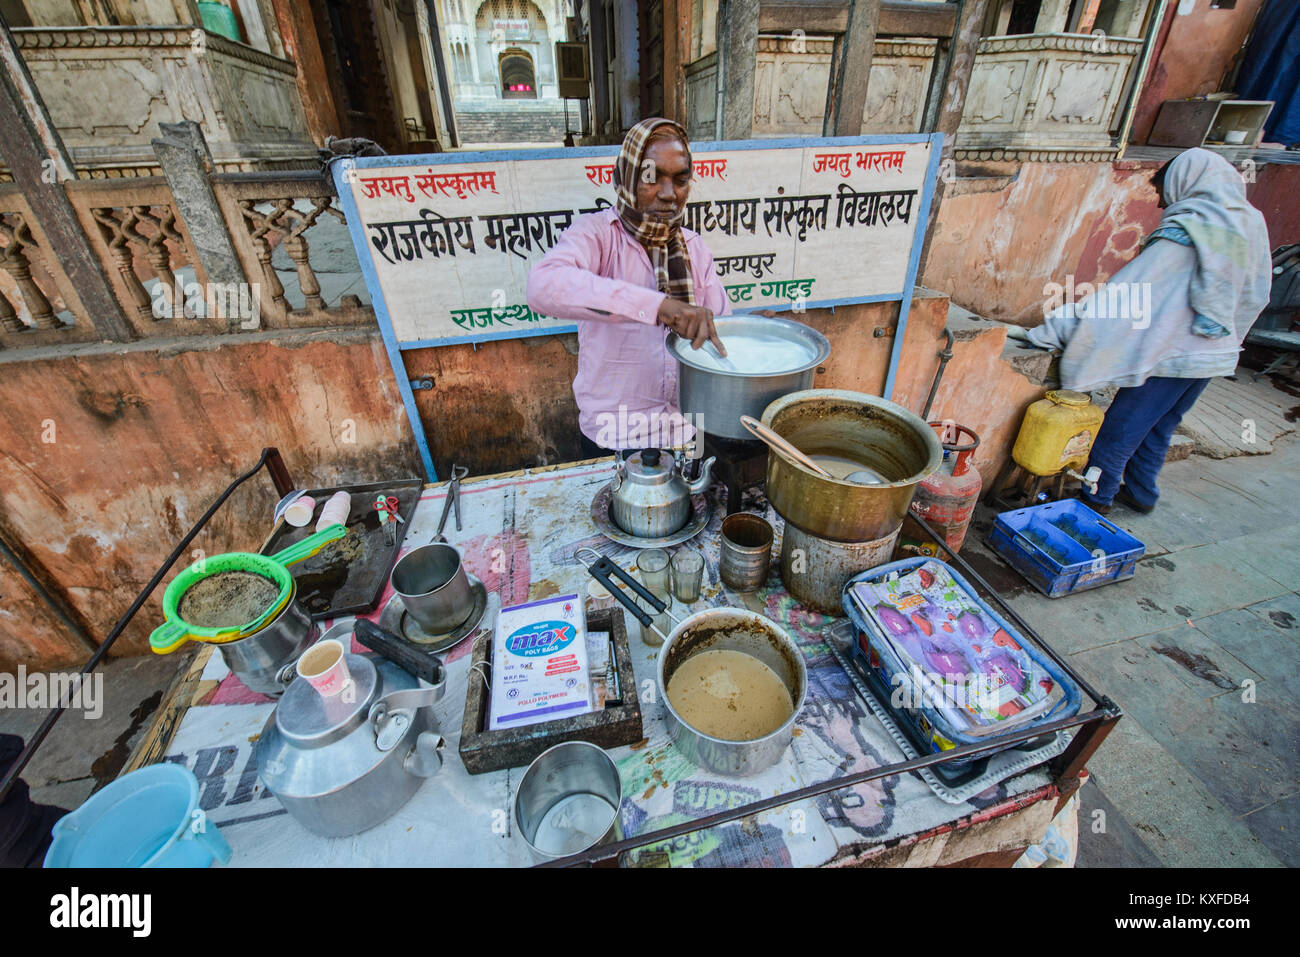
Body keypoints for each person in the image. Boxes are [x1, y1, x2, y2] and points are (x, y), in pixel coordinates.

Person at [1014, 148, 1272, 514]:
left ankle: (1094, 501)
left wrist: (1055, 329)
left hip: (1175, 355)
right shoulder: (1246, 225)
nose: (1162, 206)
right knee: (1160, 425)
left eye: (1165, 195)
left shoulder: (1191, 231)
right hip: (1216, 351)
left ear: (1186, 185)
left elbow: (1122, 296)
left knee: (1117, 432)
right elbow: (1256, 293)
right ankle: (1141, 493)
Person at [527, 118, 729, 456]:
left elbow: (717, 331)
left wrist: (746, 334)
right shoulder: (596, 235)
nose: (668, 194)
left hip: (685, 432)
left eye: (680, 180)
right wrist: (658, 306)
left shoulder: (694, 247)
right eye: (651, 177)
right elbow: (543, 286)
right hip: (613, 437)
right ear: (625, 177)